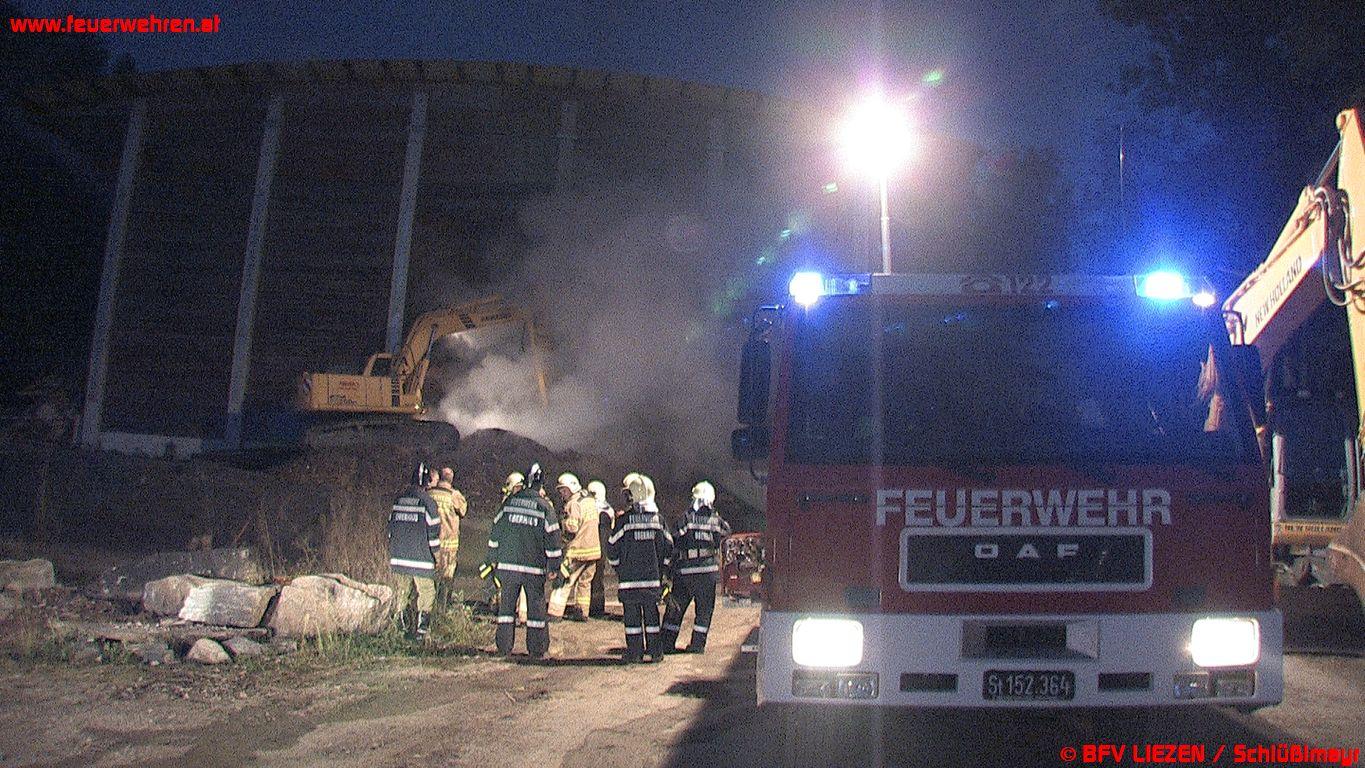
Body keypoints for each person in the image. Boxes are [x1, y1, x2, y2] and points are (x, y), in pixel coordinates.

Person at [484, 462, 562, 658]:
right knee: (536, 612)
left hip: (508, 567)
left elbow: (495, 533)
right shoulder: (544, 507)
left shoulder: (509, 503)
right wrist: (554, 567)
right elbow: (553, 539)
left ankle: (504, 648)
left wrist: (492, 559)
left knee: (506, 610)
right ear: (540, 484)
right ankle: (537, 649)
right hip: (533, 569)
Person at [606, 473, 672, 663]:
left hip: (629, 583)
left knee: (632, 620)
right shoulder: (658, 521)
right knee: (652, 617)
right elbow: (668, 548)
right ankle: (656, 653)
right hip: (652, 582)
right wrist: (661, 571)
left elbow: (611, 549)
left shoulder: (623, 522)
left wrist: (620, 569)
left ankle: (635, 653)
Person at [661, 481, 731, 653]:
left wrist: (669, 567)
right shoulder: (716, 520)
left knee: (676, 608)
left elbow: (674, 537)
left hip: (685, 571)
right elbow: (727, 533)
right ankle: (697, 645)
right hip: (708, 572)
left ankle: (666, 644)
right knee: (704, 611)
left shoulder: (687, 518)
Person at [387, 460, 443, 639]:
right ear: (427, 482)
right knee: (427, 592)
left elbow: (390, 529)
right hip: (421, 559)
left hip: (399, 557)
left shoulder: (398, 500)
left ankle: (401, 629)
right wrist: (437, 556)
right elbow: (433, 534)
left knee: (402, 592)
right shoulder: (428, 503)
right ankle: (421, 632)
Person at [548, 473, 600, 621]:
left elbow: (572, 529)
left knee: (564, 580)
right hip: (594, 550)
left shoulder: (573, 504)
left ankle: (554, 613)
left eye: (564, 490)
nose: (562, 494)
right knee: (585, 582)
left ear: (571, 488)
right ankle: (582, 612)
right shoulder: (589, 500)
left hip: (578, 551)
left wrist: (562, 528)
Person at [431, 466, 468, 586]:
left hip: (432, 543)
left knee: (431, 576)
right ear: (451, 479)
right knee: (447, 578)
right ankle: (443, 597)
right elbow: (463, 511)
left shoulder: (429, 493)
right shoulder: (454, 495)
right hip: (449, 546)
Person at [586, 480, 613, 618]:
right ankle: (595, 607)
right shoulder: (609, 510)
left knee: (595, 578)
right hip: (602, 547)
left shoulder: (599, 512)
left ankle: (595, 608)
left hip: (597, 546)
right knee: (597, 578)